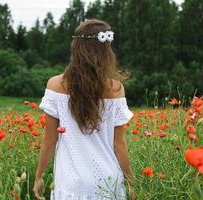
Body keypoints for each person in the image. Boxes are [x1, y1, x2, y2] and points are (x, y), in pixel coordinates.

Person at [33, 19, 135, 200]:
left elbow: (49, 139)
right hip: (109, 184)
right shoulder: (115, 89)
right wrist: (131, 182)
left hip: (71, 184)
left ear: (76, 47)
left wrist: (39, 175)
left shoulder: (55, 85)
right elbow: (119, 144)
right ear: (106, 51)